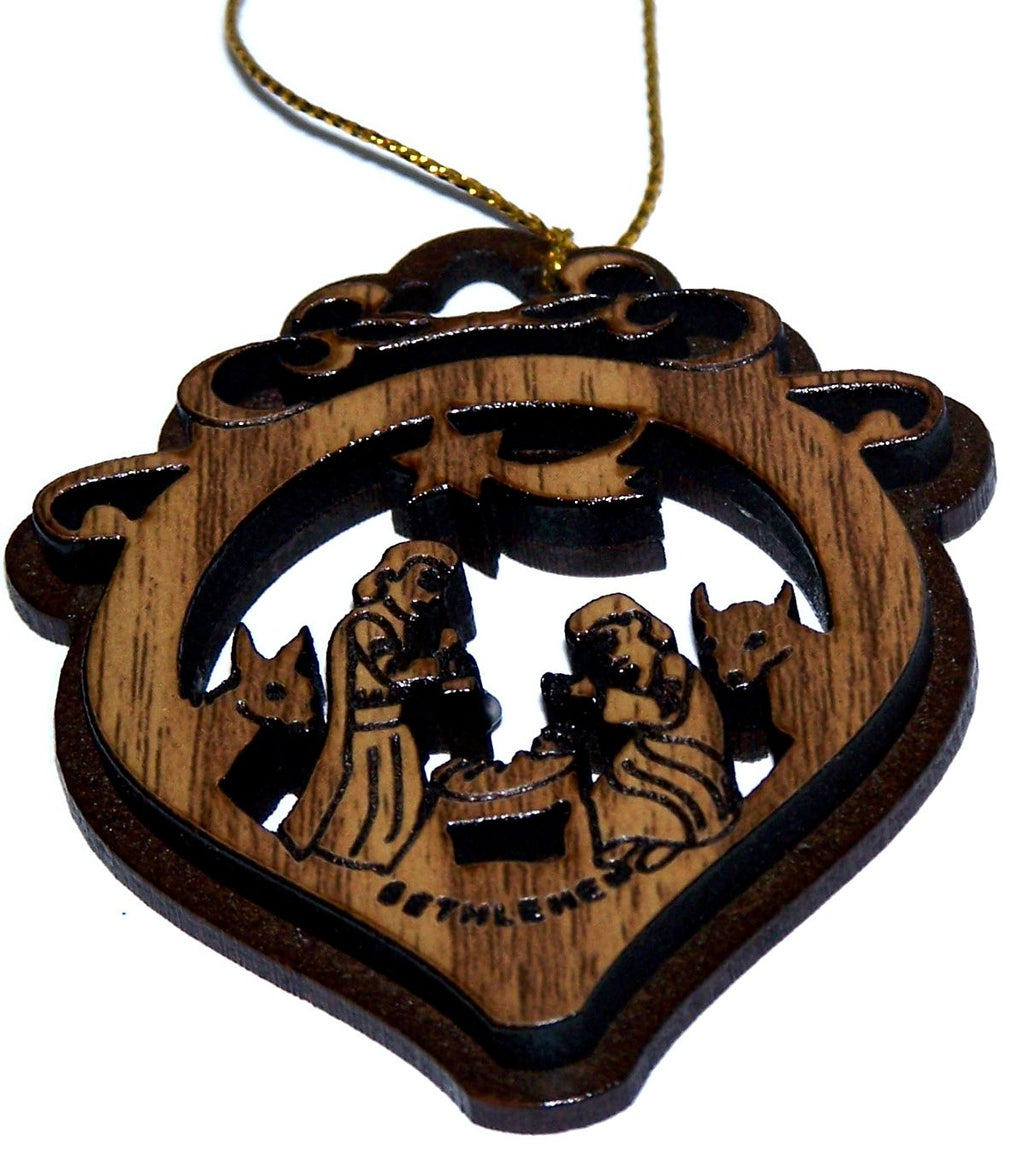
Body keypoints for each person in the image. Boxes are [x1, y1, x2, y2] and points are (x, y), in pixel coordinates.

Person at [280, 541, 467, 871]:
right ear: (393, 575)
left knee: (398, 805)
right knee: (368, 801)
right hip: (368, 734)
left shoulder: (398, 625)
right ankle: (348, 861)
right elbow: (392, 674)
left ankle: (380, 862)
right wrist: (438, 662)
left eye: (438, 587)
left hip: (391, 731)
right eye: (427, 581)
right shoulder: (369, 622)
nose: (433, 596)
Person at [552, 593, 741, 872]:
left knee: (634, 791)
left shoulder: (672, 665)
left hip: (687, 762)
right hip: (653, 758)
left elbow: (664, 710)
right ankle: (630, 845)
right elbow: (610, 697)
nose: (610, 655)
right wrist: (575, 690)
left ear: (638, 627)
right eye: (601, 648)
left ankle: (674, 837)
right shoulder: (637, 676)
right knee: (605, 797)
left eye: (611, 640)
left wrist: (604, 698)